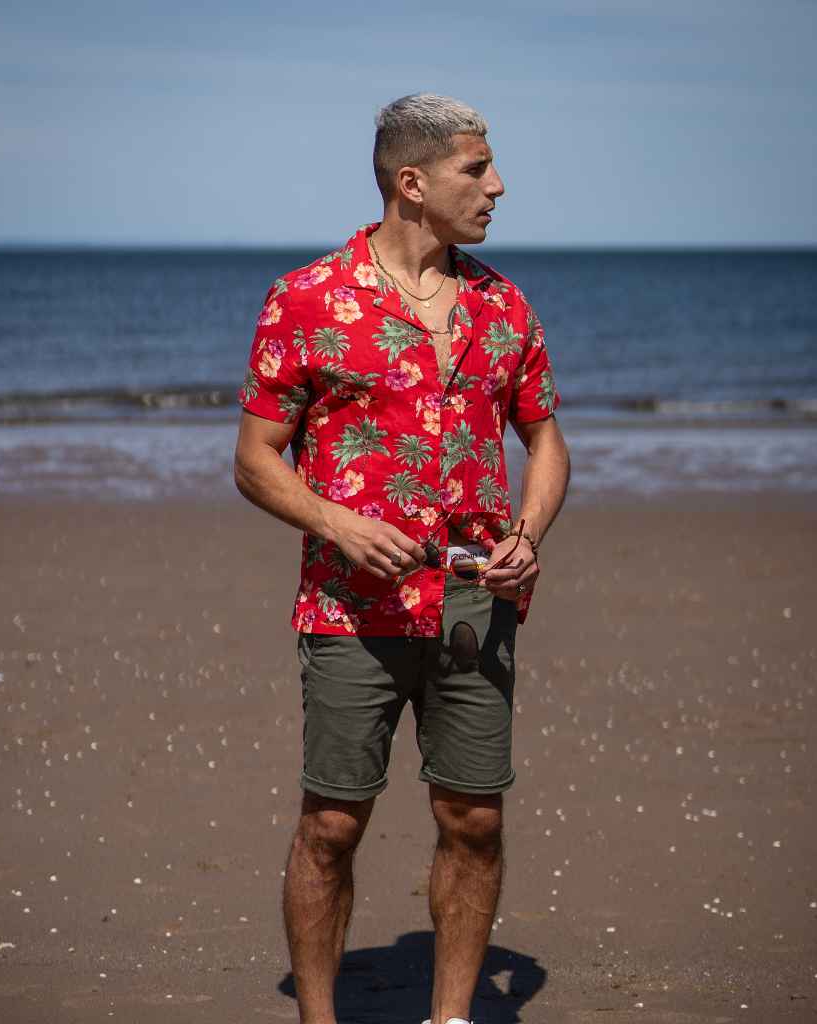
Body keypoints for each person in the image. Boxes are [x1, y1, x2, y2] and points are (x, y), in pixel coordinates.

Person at [234, 93, 570, 1024]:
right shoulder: (306, 299)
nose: (497, 186)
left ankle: (452, 1017)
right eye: (477, 168)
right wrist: (339, 525)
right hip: (350, 611)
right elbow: (255, 459)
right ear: (411, 182)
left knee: (475, 820)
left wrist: (527, 535)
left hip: (475, 608)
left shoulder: (504, 305)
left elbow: (546, 441)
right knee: (332, 825)